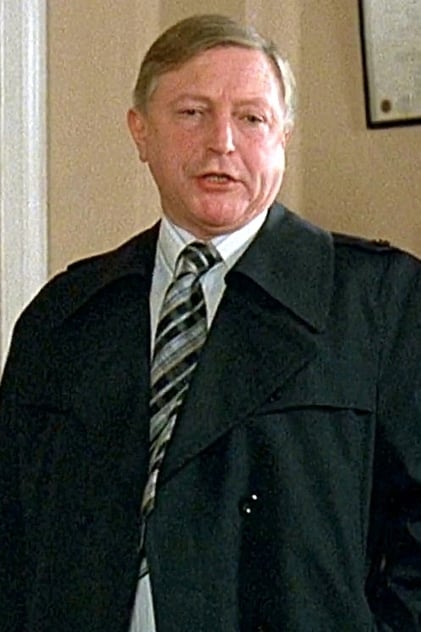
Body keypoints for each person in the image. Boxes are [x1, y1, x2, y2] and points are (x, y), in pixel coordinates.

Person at [0, 13, 420, 632]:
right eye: (192, 113)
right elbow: (14, 535)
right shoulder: (64, 315)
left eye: (252, 118)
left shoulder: (381, 301)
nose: (222, 142)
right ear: (140, 132)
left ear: (283, 137)